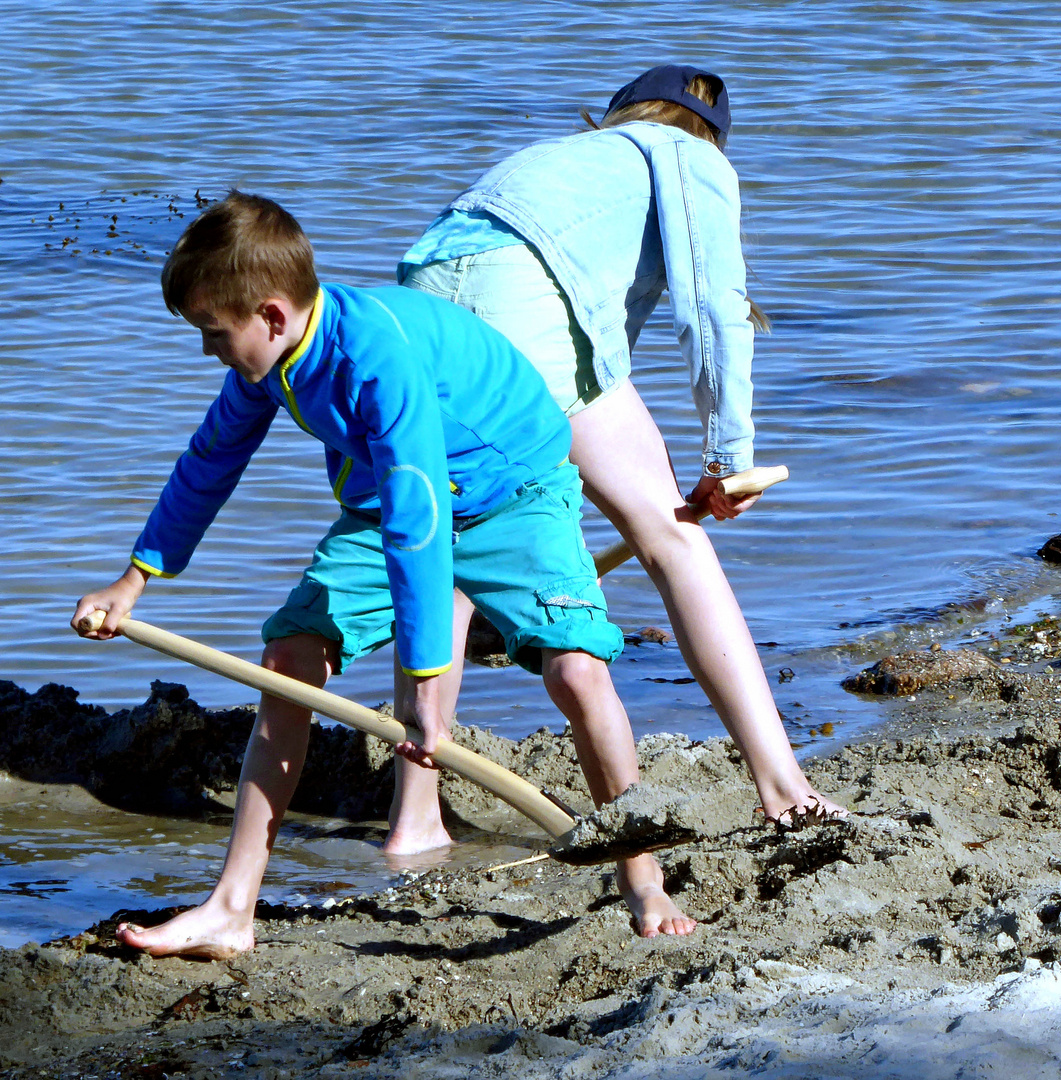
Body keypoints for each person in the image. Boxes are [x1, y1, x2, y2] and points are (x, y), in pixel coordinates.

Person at [71, 192, 695, 956]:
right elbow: (210, 463)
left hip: (512, 485)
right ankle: (233, 908)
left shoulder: (377, 359)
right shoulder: (269, 366)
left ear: (270, 316)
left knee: (574, 672)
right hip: (399, 493)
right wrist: (134, 579)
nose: (209, 353)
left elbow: (418, 521)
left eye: (213, 334)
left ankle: (642, 875)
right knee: (288, 659)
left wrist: (428, 690)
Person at [392, 64, 844, 849]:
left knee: (449, 557)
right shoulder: (692, 158)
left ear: (618, 112)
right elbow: (715, 309)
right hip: (519, 292)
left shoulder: (567, 157)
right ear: (711, 135)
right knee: (673, 537)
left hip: (419, 293)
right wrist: (726, 458)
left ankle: (415, 820)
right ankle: (784, 787)